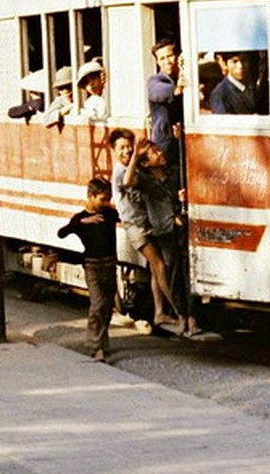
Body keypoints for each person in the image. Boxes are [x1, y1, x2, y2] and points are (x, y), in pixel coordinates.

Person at [110, 128, 180, 328]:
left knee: (154, 271)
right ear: (113, 150)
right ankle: (178, 311)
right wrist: (136, 157)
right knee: (160, 266)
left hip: (145, 224)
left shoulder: (132, 168)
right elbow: (128, 181)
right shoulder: (120, 172)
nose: (126, 151)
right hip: (137, 228)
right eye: (122, 148)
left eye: (129, 147)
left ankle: (159, 313)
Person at [135, 139, 198, 336]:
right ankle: (182, 316)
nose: (160, 153)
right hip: (164, 233)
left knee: (187, 274)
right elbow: (127, 180)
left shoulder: (174, 174)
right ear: (145, 163)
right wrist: (135, 155)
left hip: (180, 230)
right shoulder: (145, 181)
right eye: (154, 153)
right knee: (173, 276)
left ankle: (192, 319)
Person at [57, 178, 121, 362]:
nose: (105, 203)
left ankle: (103, 340)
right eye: (102, 199)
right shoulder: (80, 218)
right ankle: (95, 345)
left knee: (108, 306)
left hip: (110, 264)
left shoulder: (109, 213)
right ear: (90, 196)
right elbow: (61, 233)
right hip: (92, 265)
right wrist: (83, 223)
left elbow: (124, 215)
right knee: (98, 304)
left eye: (108, 199)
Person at [147, 39, 184, 163]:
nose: (167, 62)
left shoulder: (182, 76)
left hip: (183, 138)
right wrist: (178, 88)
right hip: (163, 146)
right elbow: (159, 92)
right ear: (157, 62)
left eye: (170, 56)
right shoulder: (155, 81)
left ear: (177, 56)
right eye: (162, 59)